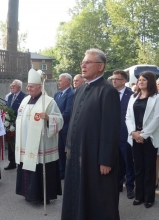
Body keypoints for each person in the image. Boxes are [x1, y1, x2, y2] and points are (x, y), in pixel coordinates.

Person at [62, 49, 121, 220]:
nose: (83, 65)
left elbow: (111, 128)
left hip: (95, 157)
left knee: (97, 197)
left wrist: (106, 159)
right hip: (77, 154)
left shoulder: (107, 91)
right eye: (83, 62)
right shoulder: (80, 90)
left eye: (88, 62)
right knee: (77, 192)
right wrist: (68, 147)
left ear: (100, 66)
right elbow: (73, 120)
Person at [15, 69, 63, 204]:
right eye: (28, 86)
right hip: (25, 142)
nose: (28, 88)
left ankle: (43, 195)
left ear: (39, 87)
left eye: (31, 86)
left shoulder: (48, 102)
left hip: (42, 144)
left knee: (40, 168)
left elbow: (60, 120)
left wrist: (48, 118)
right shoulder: (24, 100)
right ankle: (27, 193)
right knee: (26, 166)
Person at [125, 71, 159, 209]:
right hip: (135, 136)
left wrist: (144, 135)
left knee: (149, 168)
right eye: (139, 80)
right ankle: (138, 195)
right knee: (138, 167)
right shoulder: (133, 96)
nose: (140, 82)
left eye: (143, 80)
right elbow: (128, 117)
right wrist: (133, 133)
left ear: (150, 82)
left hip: (150, 137)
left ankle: (149, 197)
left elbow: (157, 117)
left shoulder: (157, 97)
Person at [112, 70, 135, 199]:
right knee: (116, 160)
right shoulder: (109, 94)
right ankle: (118, 183)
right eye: (113, 79)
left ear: (123, 81)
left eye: (117, 79)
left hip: (126, 133)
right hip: (112, 134)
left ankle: (130, 186)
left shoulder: (131, 95)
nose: (114, 81)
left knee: (128, 161)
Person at [54, 73, 74, 179]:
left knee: (67, 152)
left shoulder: (72, 94)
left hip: (66, 129)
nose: (58, 82)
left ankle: (67, 172)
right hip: (57, 128)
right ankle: (61, 171)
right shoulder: (57, 95)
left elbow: (68, 112)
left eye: (60, 80)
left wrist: (54, 120)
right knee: (59, 151)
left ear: (67, 82)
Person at [4, 79, 26, 170]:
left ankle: (21, 162)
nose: (11, 87)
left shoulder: (24, 97)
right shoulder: (9, 97)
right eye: (11, 86)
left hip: (19, 123)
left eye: (13, 86)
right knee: (10, 142)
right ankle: (12, 162)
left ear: (19, 87)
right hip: (10, 123)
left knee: (19, 143)